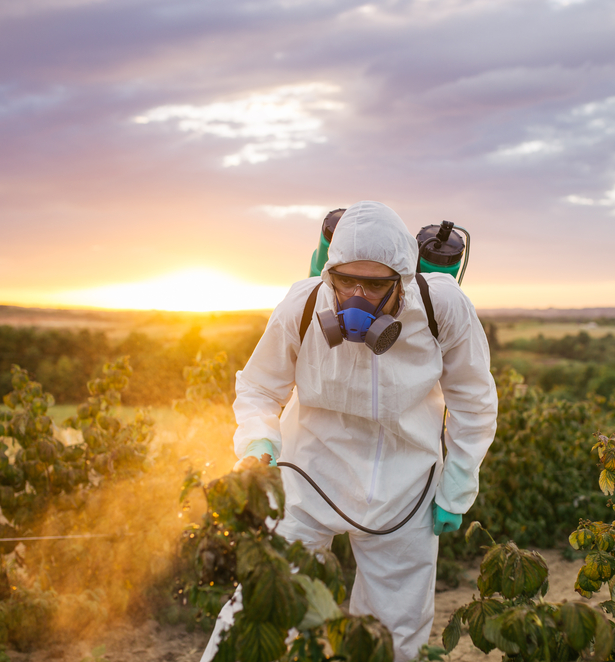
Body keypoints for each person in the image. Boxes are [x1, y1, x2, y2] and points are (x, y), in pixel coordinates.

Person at [201, 200, 497, 662]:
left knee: (392, 634)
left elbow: (474, 401)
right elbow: (259, 387)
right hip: (309, 477)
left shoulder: (443, 307)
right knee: (263, 604)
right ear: (328, 274)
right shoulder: (302, 304)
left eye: (375, 284)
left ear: (403, 279)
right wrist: (259, 439)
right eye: (344, 281)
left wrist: (457, 485)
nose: (356, 296)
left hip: (407, 488)